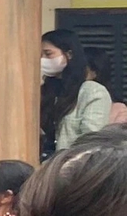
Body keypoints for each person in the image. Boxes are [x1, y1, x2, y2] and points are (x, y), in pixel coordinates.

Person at [42, 29, 111, 157]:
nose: (43, 60)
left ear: (69, 54)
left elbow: (91, 140)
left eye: (48, 54)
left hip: (71, 168)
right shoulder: (45, 90)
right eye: (40, 55)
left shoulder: (92, 92)